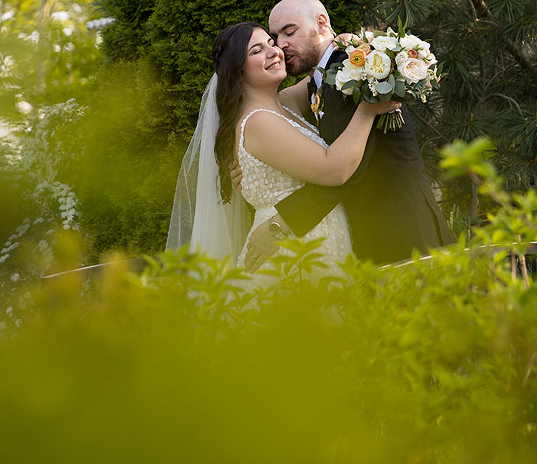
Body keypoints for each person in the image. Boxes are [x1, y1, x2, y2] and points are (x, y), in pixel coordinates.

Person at [166, 21, 400, 287]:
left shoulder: (283, 103)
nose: (273, 51)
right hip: (290, 252)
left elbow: (324, 68)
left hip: (317, 241)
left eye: (270, 43)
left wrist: (346, 41)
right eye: (256, 50)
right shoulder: (257, 122)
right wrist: (369, 109)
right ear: (238, 72)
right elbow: (334, 169)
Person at [242, 0, 452, 270]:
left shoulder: (355, 72)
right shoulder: (320, 81)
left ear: (321, 23)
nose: (281, 45)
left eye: (289, 32)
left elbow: (348, 170)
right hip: (371, 238)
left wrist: (282, 223)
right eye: (275, 36)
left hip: (404, 234)